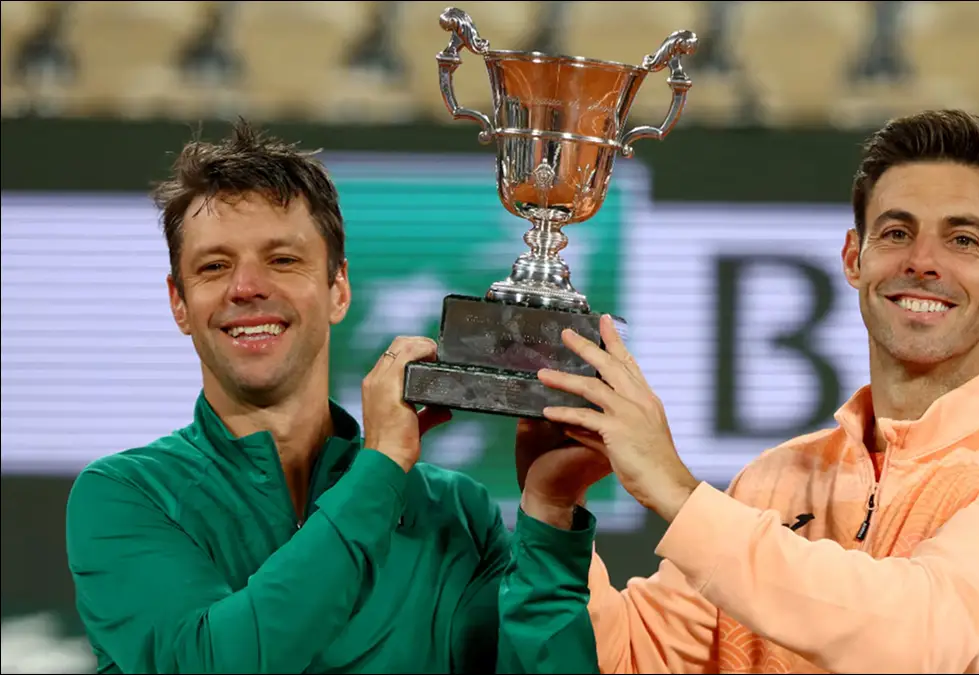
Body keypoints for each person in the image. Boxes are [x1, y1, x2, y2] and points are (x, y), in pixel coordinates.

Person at [514, 110, 979, 673]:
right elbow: (624, 661)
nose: (923, 261)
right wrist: (553, 510)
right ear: (853, 257)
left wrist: (677, 492)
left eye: (963, 239)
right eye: (896, 232)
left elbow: (921, 638)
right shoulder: (772, 481)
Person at [64, 120, 600, 675]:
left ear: (338, 288)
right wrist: (381, 468)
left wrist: (550, 514)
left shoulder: (452, 514)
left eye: (283, 259)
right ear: (180, 303)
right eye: (214, 266)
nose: (246, 287)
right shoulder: (128, 497)